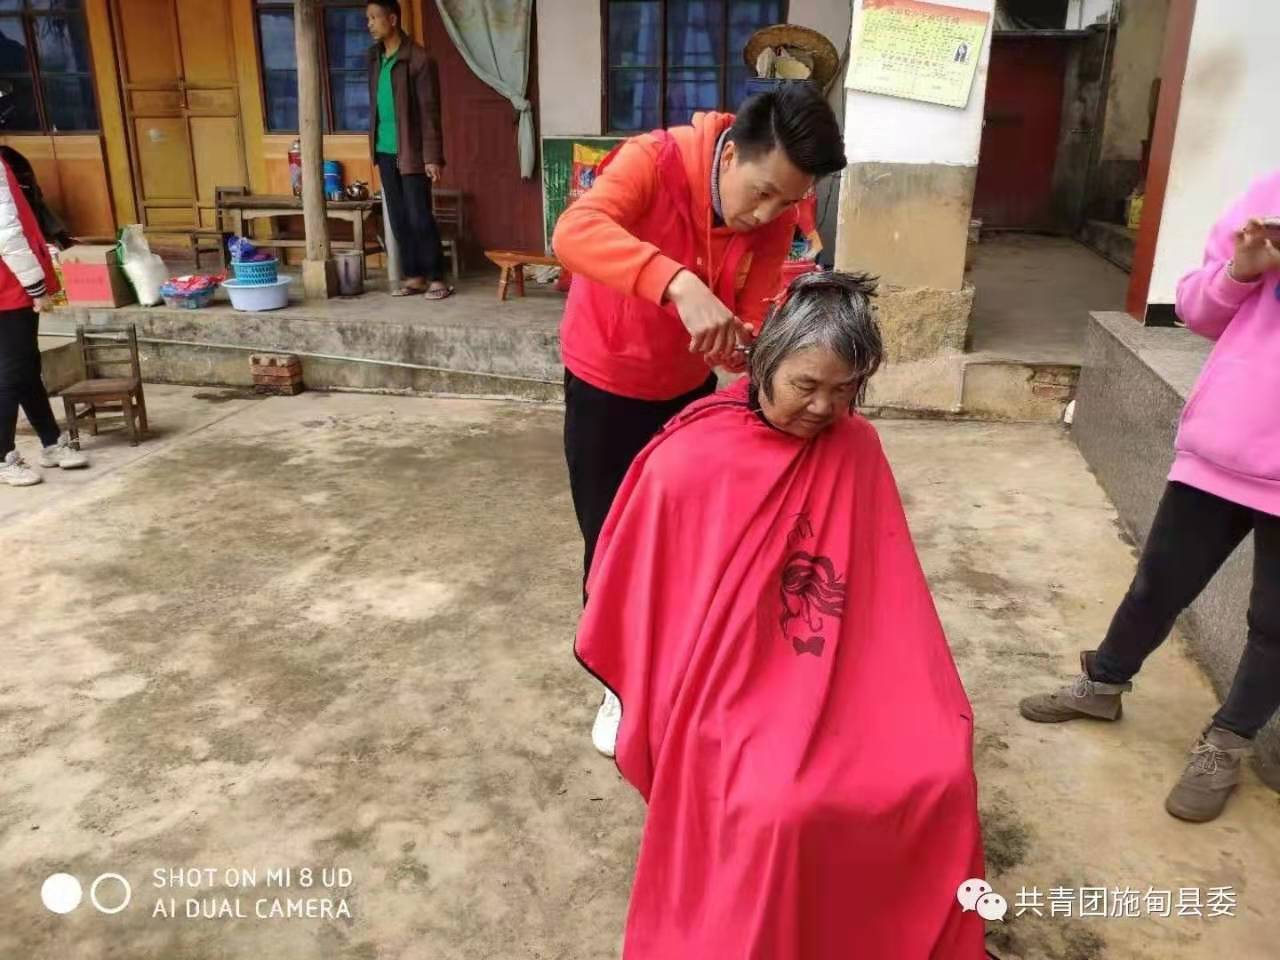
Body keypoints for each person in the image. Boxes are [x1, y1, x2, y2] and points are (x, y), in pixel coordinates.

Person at [575, 272, 985, 958]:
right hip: (723, 688)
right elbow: (642, 602)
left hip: (847, 671)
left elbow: (885, 591)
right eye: (806, 385)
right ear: (765, 362)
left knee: (940, 768)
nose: (825, 407)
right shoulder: (689, 459)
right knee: (780, 804)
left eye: (845, 389)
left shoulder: (856, 447)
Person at [553, 83, 846, 756]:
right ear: (731, 154)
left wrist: (753, 355)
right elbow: (573, 234)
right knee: (612, 540)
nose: (766, 214)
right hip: (605, 381)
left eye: (786, 202)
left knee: (682, 539)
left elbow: (753, 309)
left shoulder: (773, 216)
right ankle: (618, 685)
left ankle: (678, 666)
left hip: (686, 391)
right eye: (762, 192)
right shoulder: (652, 161)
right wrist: (677, 282)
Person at [1020, 171, 1280, 823]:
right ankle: (1102, 683)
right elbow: (1197, 312)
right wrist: (1242, 271)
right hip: (1226, 446)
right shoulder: (1268, 193)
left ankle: (1227, 743)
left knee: (1276, 624)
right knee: (1157, 584)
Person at [0, 154, 88, 487]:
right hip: (9, 284)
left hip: (12, 279)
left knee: (25, 366)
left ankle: (51, 442)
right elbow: (7, 233)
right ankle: (3, 456)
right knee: (12, 372)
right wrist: (36, 286)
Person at [366, 1, 451, 301]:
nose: (370, 24)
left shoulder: (419, 59)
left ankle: (437, 278)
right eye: (368, 18)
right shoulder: (374, 58)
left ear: (392, 19)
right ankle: (414, 276)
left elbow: (430, 112)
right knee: (398, 217)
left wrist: (432, 157)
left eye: (375, 18)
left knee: (419, 215)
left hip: (412, 151)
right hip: (384, 148)